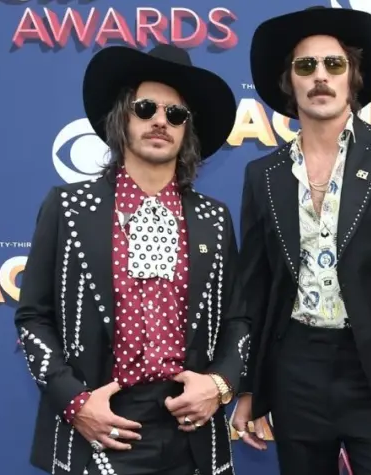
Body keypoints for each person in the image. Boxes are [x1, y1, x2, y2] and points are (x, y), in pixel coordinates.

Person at [229, 6, 371, 475]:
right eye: (305, 66)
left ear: (354, 78)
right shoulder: (262, 174)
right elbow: (253, 288)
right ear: (289, 83)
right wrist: (248, 386)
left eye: (334, 64)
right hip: (295, 370)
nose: (320, 77)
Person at [14, 44, 250, 475]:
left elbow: (238, 320)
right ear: (122, 117)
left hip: (189, 427)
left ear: (187, 131)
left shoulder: (214, 218)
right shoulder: (67, 207)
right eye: (146, 108)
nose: (161, 121)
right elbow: (33, 317)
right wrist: (75, 402)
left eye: (176, 114)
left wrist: (218, 386)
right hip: (100, 422)